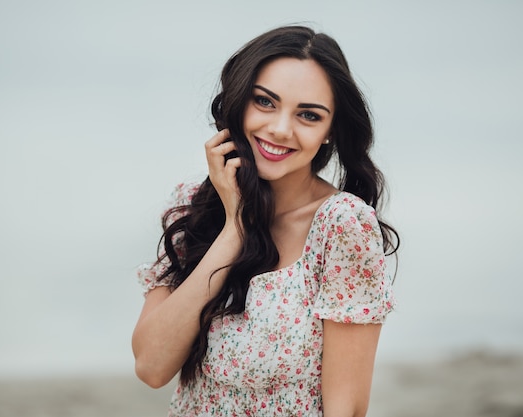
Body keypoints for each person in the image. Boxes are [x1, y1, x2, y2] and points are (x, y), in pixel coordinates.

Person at [132, 25, 399, 417]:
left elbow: (348, 407)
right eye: (265, 102)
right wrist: (234, 229)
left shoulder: (342, 225)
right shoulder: (194, 204)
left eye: (308, 115)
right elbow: (152, 367)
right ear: (239, 102)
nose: (279, 129)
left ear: (329, 132)